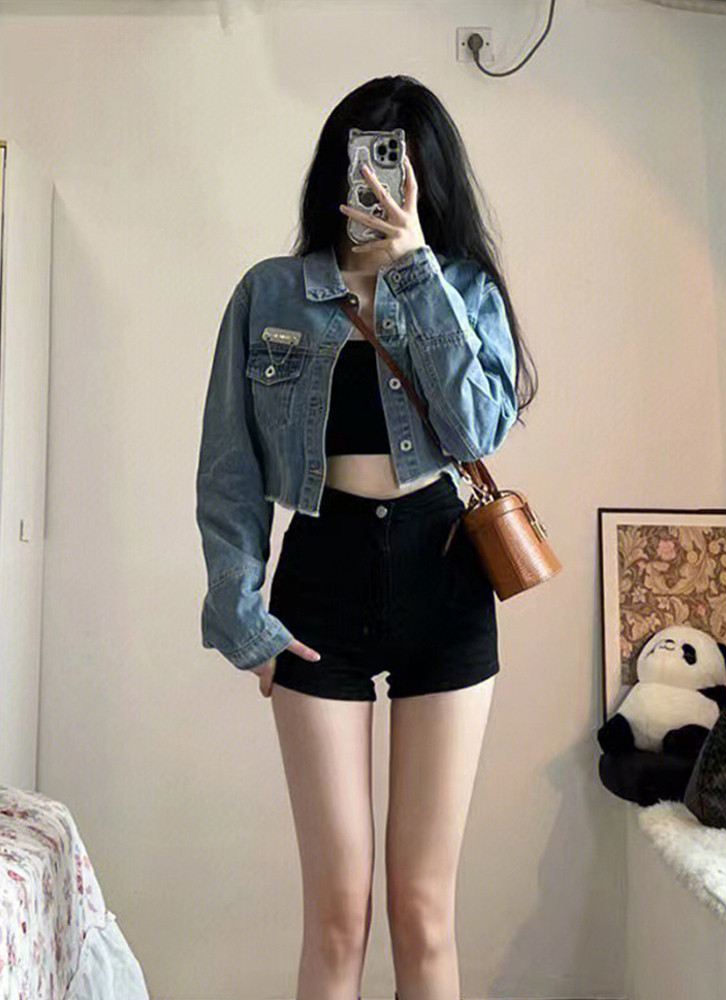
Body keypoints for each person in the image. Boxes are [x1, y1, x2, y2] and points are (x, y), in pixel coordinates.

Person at [196, 74, 537, 1000]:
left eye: (400, 161)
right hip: (320, 579)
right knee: (337, 915)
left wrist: (416, 270)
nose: (381, 179)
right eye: (367, 157)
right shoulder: (270, 293)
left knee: (423, 912)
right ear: (337, 167)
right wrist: (243, 617)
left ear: (431, 175)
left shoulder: (462, 288)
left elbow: (478, 431)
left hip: (444, 575)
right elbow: (229, 471)